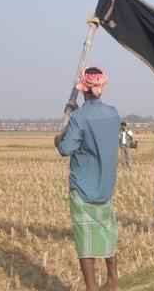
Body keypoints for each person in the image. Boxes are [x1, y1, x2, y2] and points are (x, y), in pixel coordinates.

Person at [54, 66, 121, 291]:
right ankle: (112, 281)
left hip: (82, 187)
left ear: (84, 89)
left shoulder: (79, 118)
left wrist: (59, 137)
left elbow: (66, 149)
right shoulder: (114, 113)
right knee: (108, 232)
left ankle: (92, 288)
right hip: (106, 186)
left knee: (85, 241)